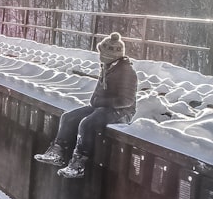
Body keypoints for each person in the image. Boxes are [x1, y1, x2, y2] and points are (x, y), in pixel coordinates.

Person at [34, 32, 138, 178]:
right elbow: (97, 93)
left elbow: (127, 101)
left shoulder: (126, 71)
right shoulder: (108, 67)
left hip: (122, 112)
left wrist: (100, 102)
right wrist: (96, 101)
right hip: (103, 107)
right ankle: (57, 152)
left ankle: (78, 164)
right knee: (68, 117)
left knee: (87, 123)